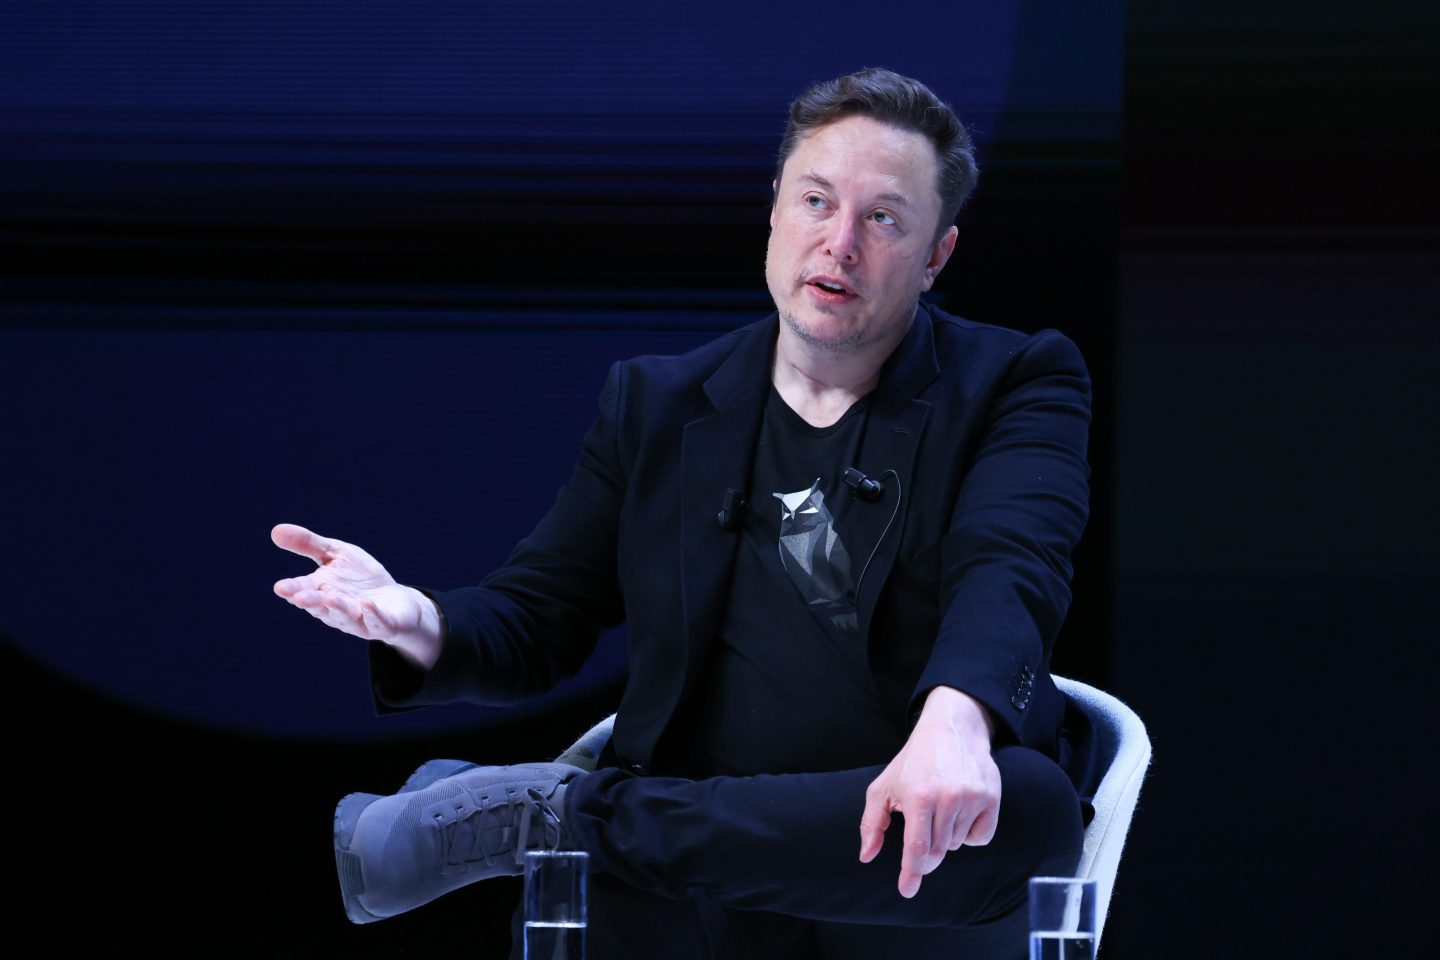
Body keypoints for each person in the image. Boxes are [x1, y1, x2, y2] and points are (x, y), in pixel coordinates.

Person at [273, 66, 1100, 959]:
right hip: (688, 857)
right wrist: (415, 617)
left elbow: (1011, 561)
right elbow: (539, 615)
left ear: (936, 255)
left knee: (1030, 808)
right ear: (775, 211)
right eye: (817, 201)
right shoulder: (657, 403)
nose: (840, 243)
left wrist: (957, 723)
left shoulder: (1017, 382)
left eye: (884, 218)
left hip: (890, 843)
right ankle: (592, 819)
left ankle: (559, 817)